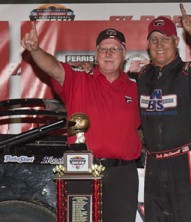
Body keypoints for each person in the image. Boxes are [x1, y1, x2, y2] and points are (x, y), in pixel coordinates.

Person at [22, 24, 141, 222]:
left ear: (124, 53)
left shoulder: (137, 87)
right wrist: (35, 50)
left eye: (115, 48)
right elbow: (53, 68)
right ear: (96, 54)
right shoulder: (77, 80)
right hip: (81, 170)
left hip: (123, 175)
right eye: (103, 48)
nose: (109, 53)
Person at [138, 3, 191, 222]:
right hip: (154, 164)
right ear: (148, 44)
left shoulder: (190, 71)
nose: (159, 45)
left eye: (165, 38)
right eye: (154, 39)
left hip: (186, 160)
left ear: (176, 41)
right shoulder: (142, 76)